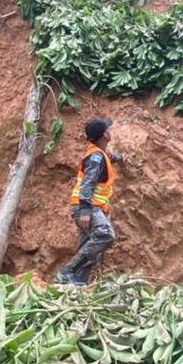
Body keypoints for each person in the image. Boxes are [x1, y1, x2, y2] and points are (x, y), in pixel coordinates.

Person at [55, 118, 123, 286]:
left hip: (88, 206)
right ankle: (67, 270)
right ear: (105, 135)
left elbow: (109, 157)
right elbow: (88, 183)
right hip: (88, 206)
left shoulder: (99, 153)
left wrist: (121, 158)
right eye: (108, 129)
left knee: (89, 248)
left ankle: (75, 284)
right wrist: (85, 211)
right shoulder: (95, 158)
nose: (110, 130)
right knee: (105, 235)